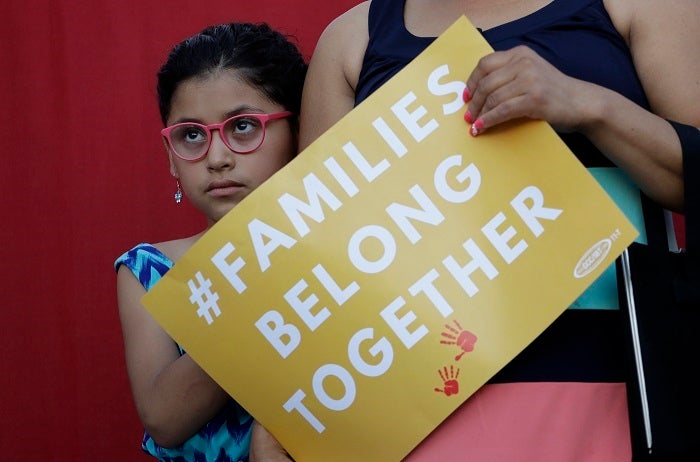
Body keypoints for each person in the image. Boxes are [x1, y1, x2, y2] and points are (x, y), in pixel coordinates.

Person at [294, 0, 700, 460]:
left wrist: (590, 106)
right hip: (418, 409)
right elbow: (322, 260)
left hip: (621, 389)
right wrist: (283, 424)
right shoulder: (352, 39)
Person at [114, 22, 305, 461]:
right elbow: (164, 419)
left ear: (297, 133)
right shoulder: (150, 270)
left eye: (243, 126)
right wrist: (264, 295)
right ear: (171, 158)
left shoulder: (355, 244)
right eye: (192, 135)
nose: (217, 158)